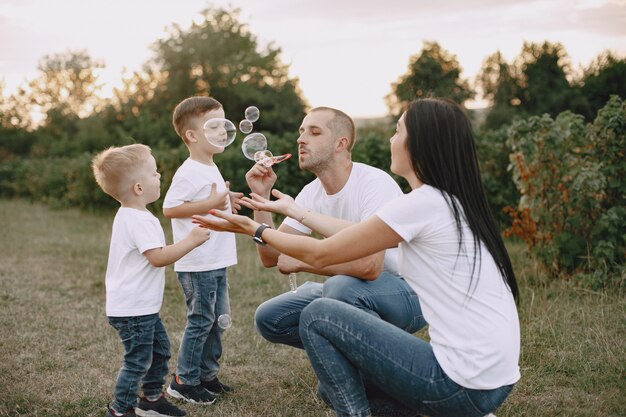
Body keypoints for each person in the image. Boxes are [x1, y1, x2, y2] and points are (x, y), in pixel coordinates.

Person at [192, 98, 521, 417]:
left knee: (320, 314)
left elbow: (326, 253)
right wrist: (290, 210)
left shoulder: (417, 202)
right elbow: (336, 234)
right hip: (487, 382)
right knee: (330, 386)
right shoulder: (442, 200)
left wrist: (253, 228)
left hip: (460, 384)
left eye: (398, 131)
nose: (392, 139)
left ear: (420, 144)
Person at [242, 106, 425, 351]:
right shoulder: (310, 192)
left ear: (340, 144)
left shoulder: (374, 183)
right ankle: (348, 353)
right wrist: (261, 196)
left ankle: (370, 366)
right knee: (270, 317)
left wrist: (304, 263)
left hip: (407, 292)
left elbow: (369, 267)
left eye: (314, 132)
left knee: (340, 287)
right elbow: (271, 256)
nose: (300, 139)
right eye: (301, 131)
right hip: (351, 289)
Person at [92, 144, 210, 417]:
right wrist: (190, 242)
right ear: (138, 188)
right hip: (133, 309)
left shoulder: (133, 215)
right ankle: (121, 410)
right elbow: (157, 257)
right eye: (154, 173)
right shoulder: (139, 220)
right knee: (138, 361)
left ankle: (152, 400)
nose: (159, 176)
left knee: (159, 352)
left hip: (140, 307)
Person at [162, 96, 243, 405]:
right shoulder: (189, 170)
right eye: (213, 125)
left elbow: (207, 199)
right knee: (201, 319)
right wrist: (210, 203)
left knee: (218, 319)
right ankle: (184, 381)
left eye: (224, 124)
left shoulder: (209, 164)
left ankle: (207, 375)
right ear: (192, 135)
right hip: (198, 261)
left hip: (216, 257)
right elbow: (170, 207)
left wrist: (225, 199)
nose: (223, 130)